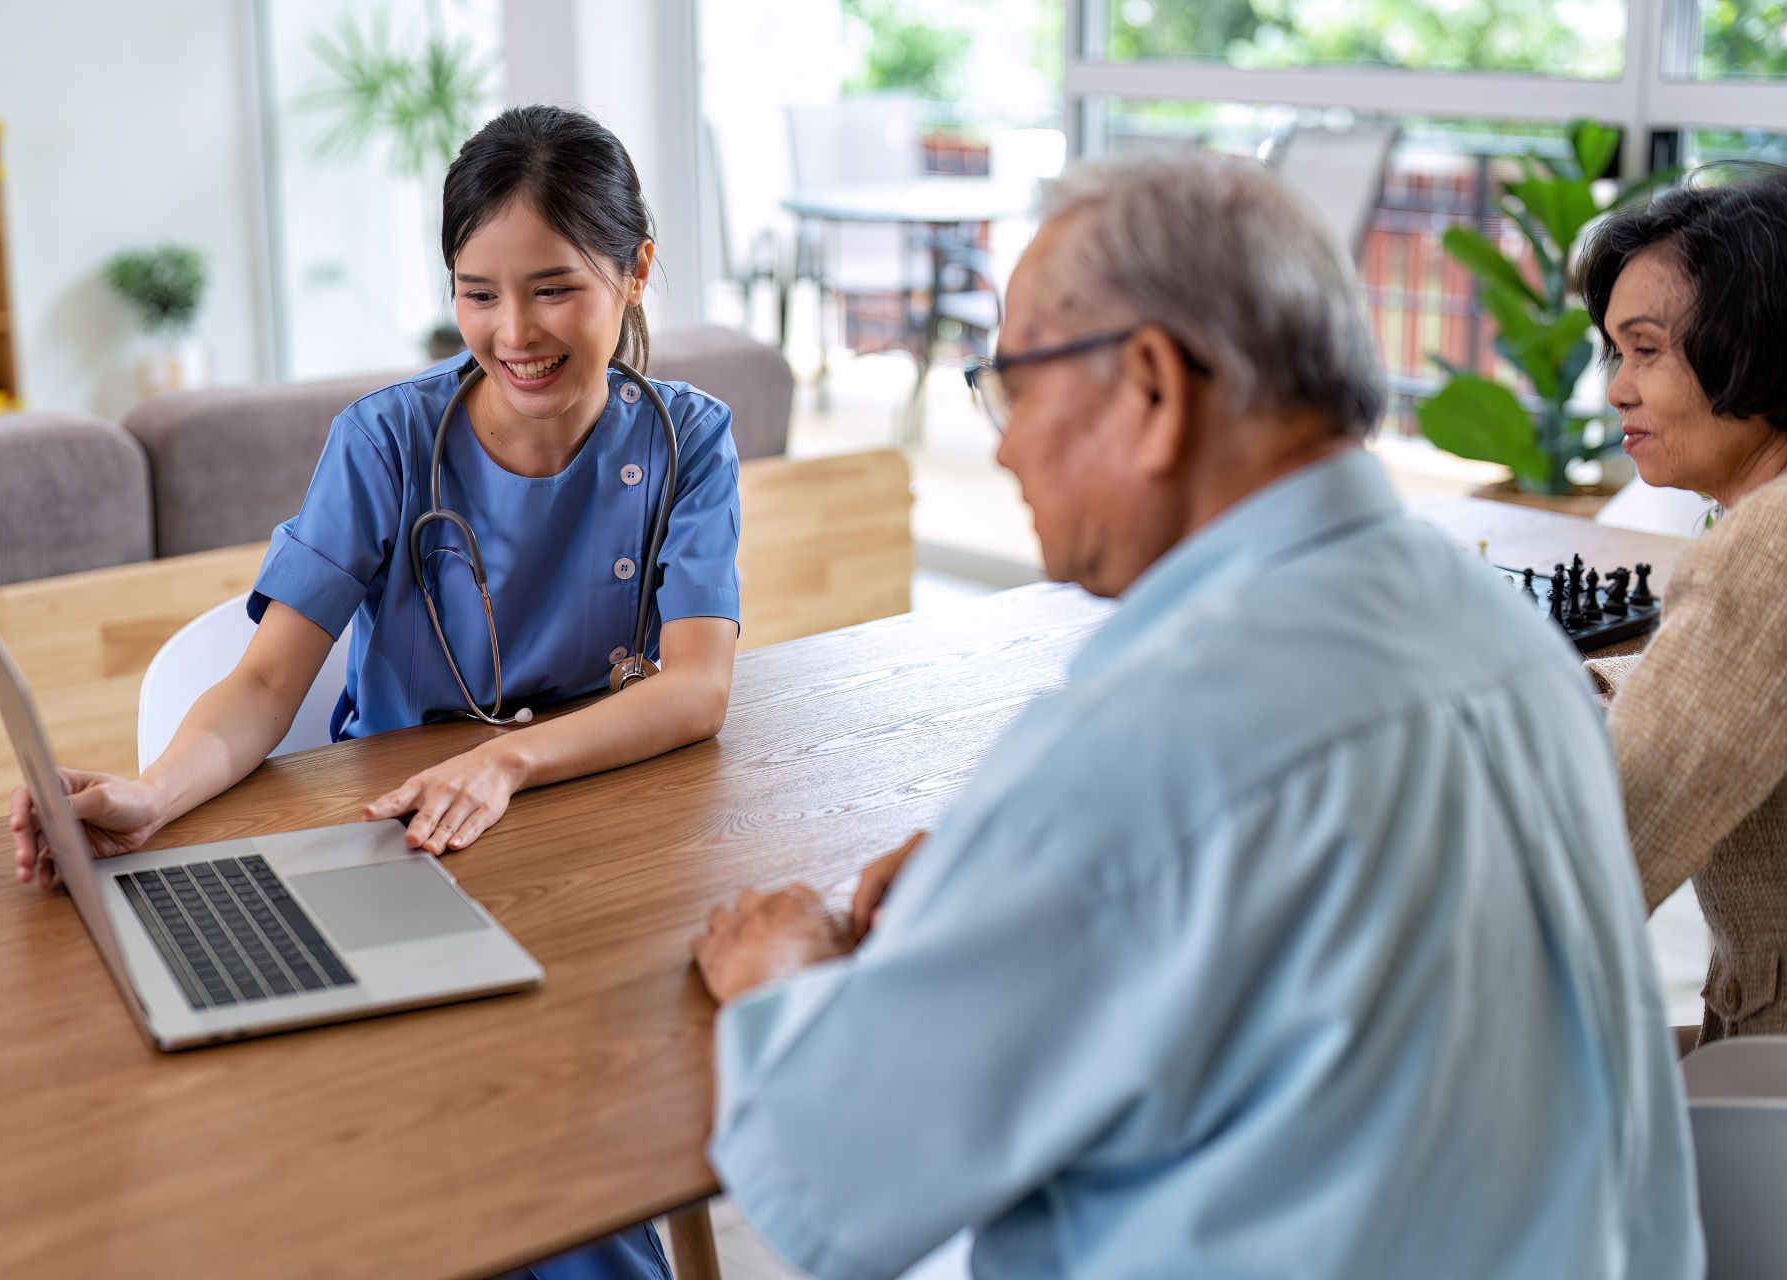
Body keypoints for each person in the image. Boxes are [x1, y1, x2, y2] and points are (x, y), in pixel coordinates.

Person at [689, 152, 1700, 1279]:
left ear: (1155, 389)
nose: (1006, 441)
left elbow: (830, 1175)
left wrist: (785, 967)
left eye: (1015, 382)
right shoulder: (1512, 644)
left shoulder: (1141, 744)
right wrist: (1019, 876)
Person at [6, 105, 741, 1280]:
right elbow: (261, 684)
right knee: (459, 1157)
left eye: (555, 289)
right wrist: (150, 794)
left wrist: (507, 758)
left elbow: (699, 685)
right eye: (478, 292)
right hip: (413, 854)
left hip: (604, 850)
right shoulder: (388, 440)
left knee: (589, 1141)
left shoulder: (688, 439)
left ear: (637, 271)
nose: (515, 332)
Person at [1579, 168, 1787, 1050]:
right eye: (1615, 354)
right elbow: (1746, 683)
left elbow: (1603, 847)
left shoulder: (1767, 548)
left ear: (1755, 344)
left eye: (1648, 349)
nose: (1618, 389)